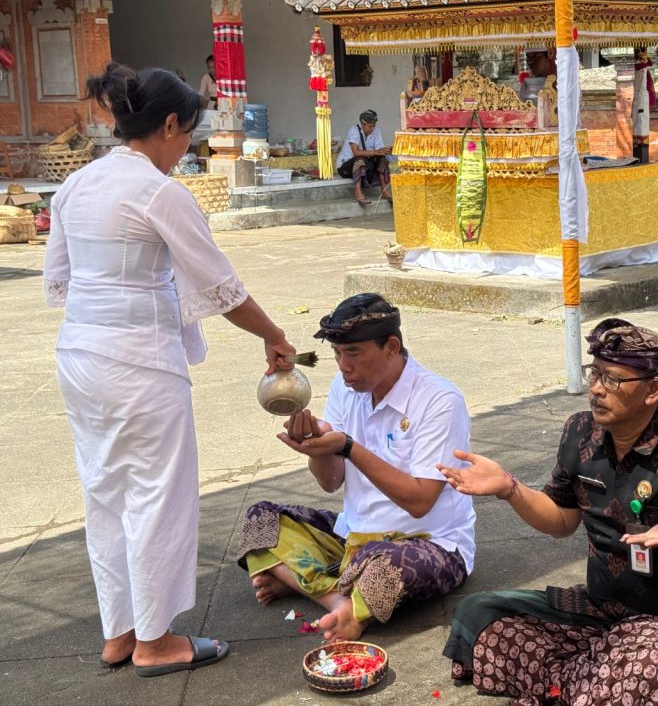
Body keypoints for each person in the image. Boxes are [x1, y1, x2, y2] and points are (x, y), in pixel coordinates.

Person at [42, 62, 296, 677]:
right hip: (138, 362)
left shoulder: (77, 184)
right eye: (188, 136)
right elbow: (222, 287)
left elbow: (62, 278)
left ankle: (121, 632)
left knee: (105, 491)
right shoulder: (160, 192)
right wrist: (274, 336)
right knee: (157, 494)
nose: (186, 149)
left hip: (80, 355)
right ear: (170, 124)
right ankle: (155, 642)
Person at [438, 318, 658, 705]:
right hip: (599, 610)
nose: (597, 389)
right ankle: (589, 684)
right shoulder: (580, 432)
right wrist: (509, 488)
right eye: (595, 374)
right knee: (479, 614)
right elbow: (561, 519)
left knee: (649, 666)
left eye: (613, 380)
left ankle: (589, 683)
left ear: (653, 390)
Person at [237, 293, 475, 643]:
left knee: (389, 568)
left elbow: (421, 501)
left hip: (426, 543)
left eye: (353, 353)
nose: (343, 366)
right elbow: (331, 482)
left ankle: (307, 582)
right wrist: (317, 448)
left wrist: (348, 447)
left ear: (391, 347)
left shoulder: (440, 400)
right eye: (337, 354)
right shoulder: (344, 388)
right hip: (354, 537)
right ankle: (340, 603)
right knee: (262, 519)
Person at [337, 109, 392, 207]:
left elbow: (379, 150)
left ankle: (384, 190)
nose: (372, 128)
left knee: (383, 158)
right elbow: (355, 152)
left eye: (374, 126)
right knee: (360, 159)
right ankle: (358, 193)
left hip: (366, 166)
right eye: (370, 126)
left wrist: (387, 150)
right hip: (346, 167)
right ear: (363, 124)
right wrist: (375, 152)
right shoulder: (354, 130)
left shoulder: (376, 130)